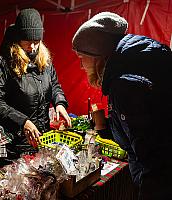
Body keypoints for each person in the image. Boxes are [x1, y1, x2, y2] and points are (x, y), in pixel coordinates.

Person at [72, 12, 172, 200]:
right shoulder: (137, 59)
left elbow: (154, 161)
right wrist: (105, 126)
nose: (80, 65)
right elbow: (144, 125)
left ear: (96, 56)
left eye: (81, 57)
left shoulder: (125, 85)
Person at [0, 8, 71, 167]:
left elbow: (55, 85)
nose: (32, 47)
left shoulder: (44, 60)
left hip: (42, 137)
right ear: (18, 38)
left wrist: (59, 102)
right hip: (14, 144)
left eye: (36, 41)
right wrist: (23, 121)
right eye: (27, 41)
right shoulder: (1, 63)